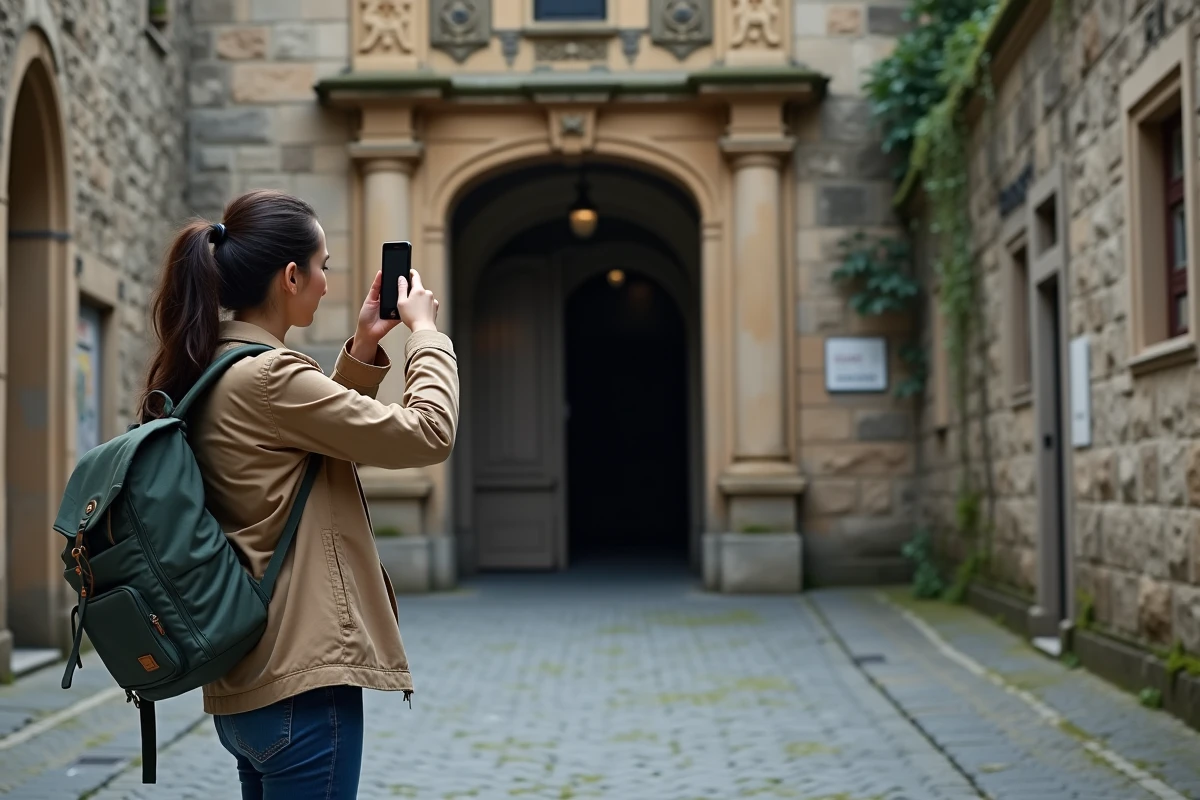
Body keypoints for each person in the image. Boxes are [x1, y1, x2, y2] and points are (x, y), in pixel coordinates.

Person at [140, 189, 459, 798]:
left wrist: (365, 346)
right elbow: (428, 433)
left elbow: (305, 450)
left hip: (249, 683)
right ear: (292, 275)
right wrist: (424, 335)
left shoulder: (215, 368)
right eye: (324, 267)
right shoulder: (271, 376)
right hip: (303, 683)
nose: (327, 284)